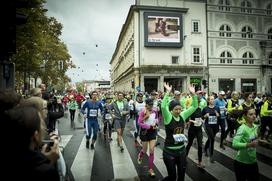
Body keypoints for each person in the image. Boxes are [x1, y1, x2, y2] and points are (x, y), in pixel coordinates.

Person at [6, 106, 60, 181]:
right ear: (36, 136)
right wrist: (50, 162)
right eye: (41, 125)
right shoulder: (45, 171)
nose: (44, 128)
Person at [161, 82, 197, 181]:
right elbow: (163, 107)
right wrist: (167, 92)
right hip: (169, 152)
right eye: (176, 109)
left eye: (179, 109)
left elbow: (194, 107)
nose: (178, 111)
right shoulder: (168, 117)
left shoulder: (183, 115)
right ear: (171, 110)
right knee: (172, 177)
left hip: (181, 151)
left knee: (181, 176)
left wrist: (193, 95)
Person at [232, 107, 259, 181]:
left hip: (253, 161)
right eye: (251, 114)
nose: (254, 116)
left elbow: (253, 139)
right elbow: (234, 144)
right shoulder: (242, 128)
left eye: (254, 114)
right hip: (241, 163)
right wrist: (249, 145)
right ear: (245, 116)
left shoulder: (255, 126)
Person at [137, 98, 159, 177]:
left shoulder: (155, 111)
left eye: (152, 105)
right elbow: (139, 123)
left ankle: (150, 169)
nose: (151, 106)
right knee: (144, 149)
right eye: (149, 105)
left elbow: (157, 119)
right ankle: (140, 155)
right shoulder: (143, 111)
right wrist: (146, 118)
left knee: (151, 150)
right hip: (145, 133)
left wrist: (156, 124)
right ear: (146, 104)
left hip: (153, 132)